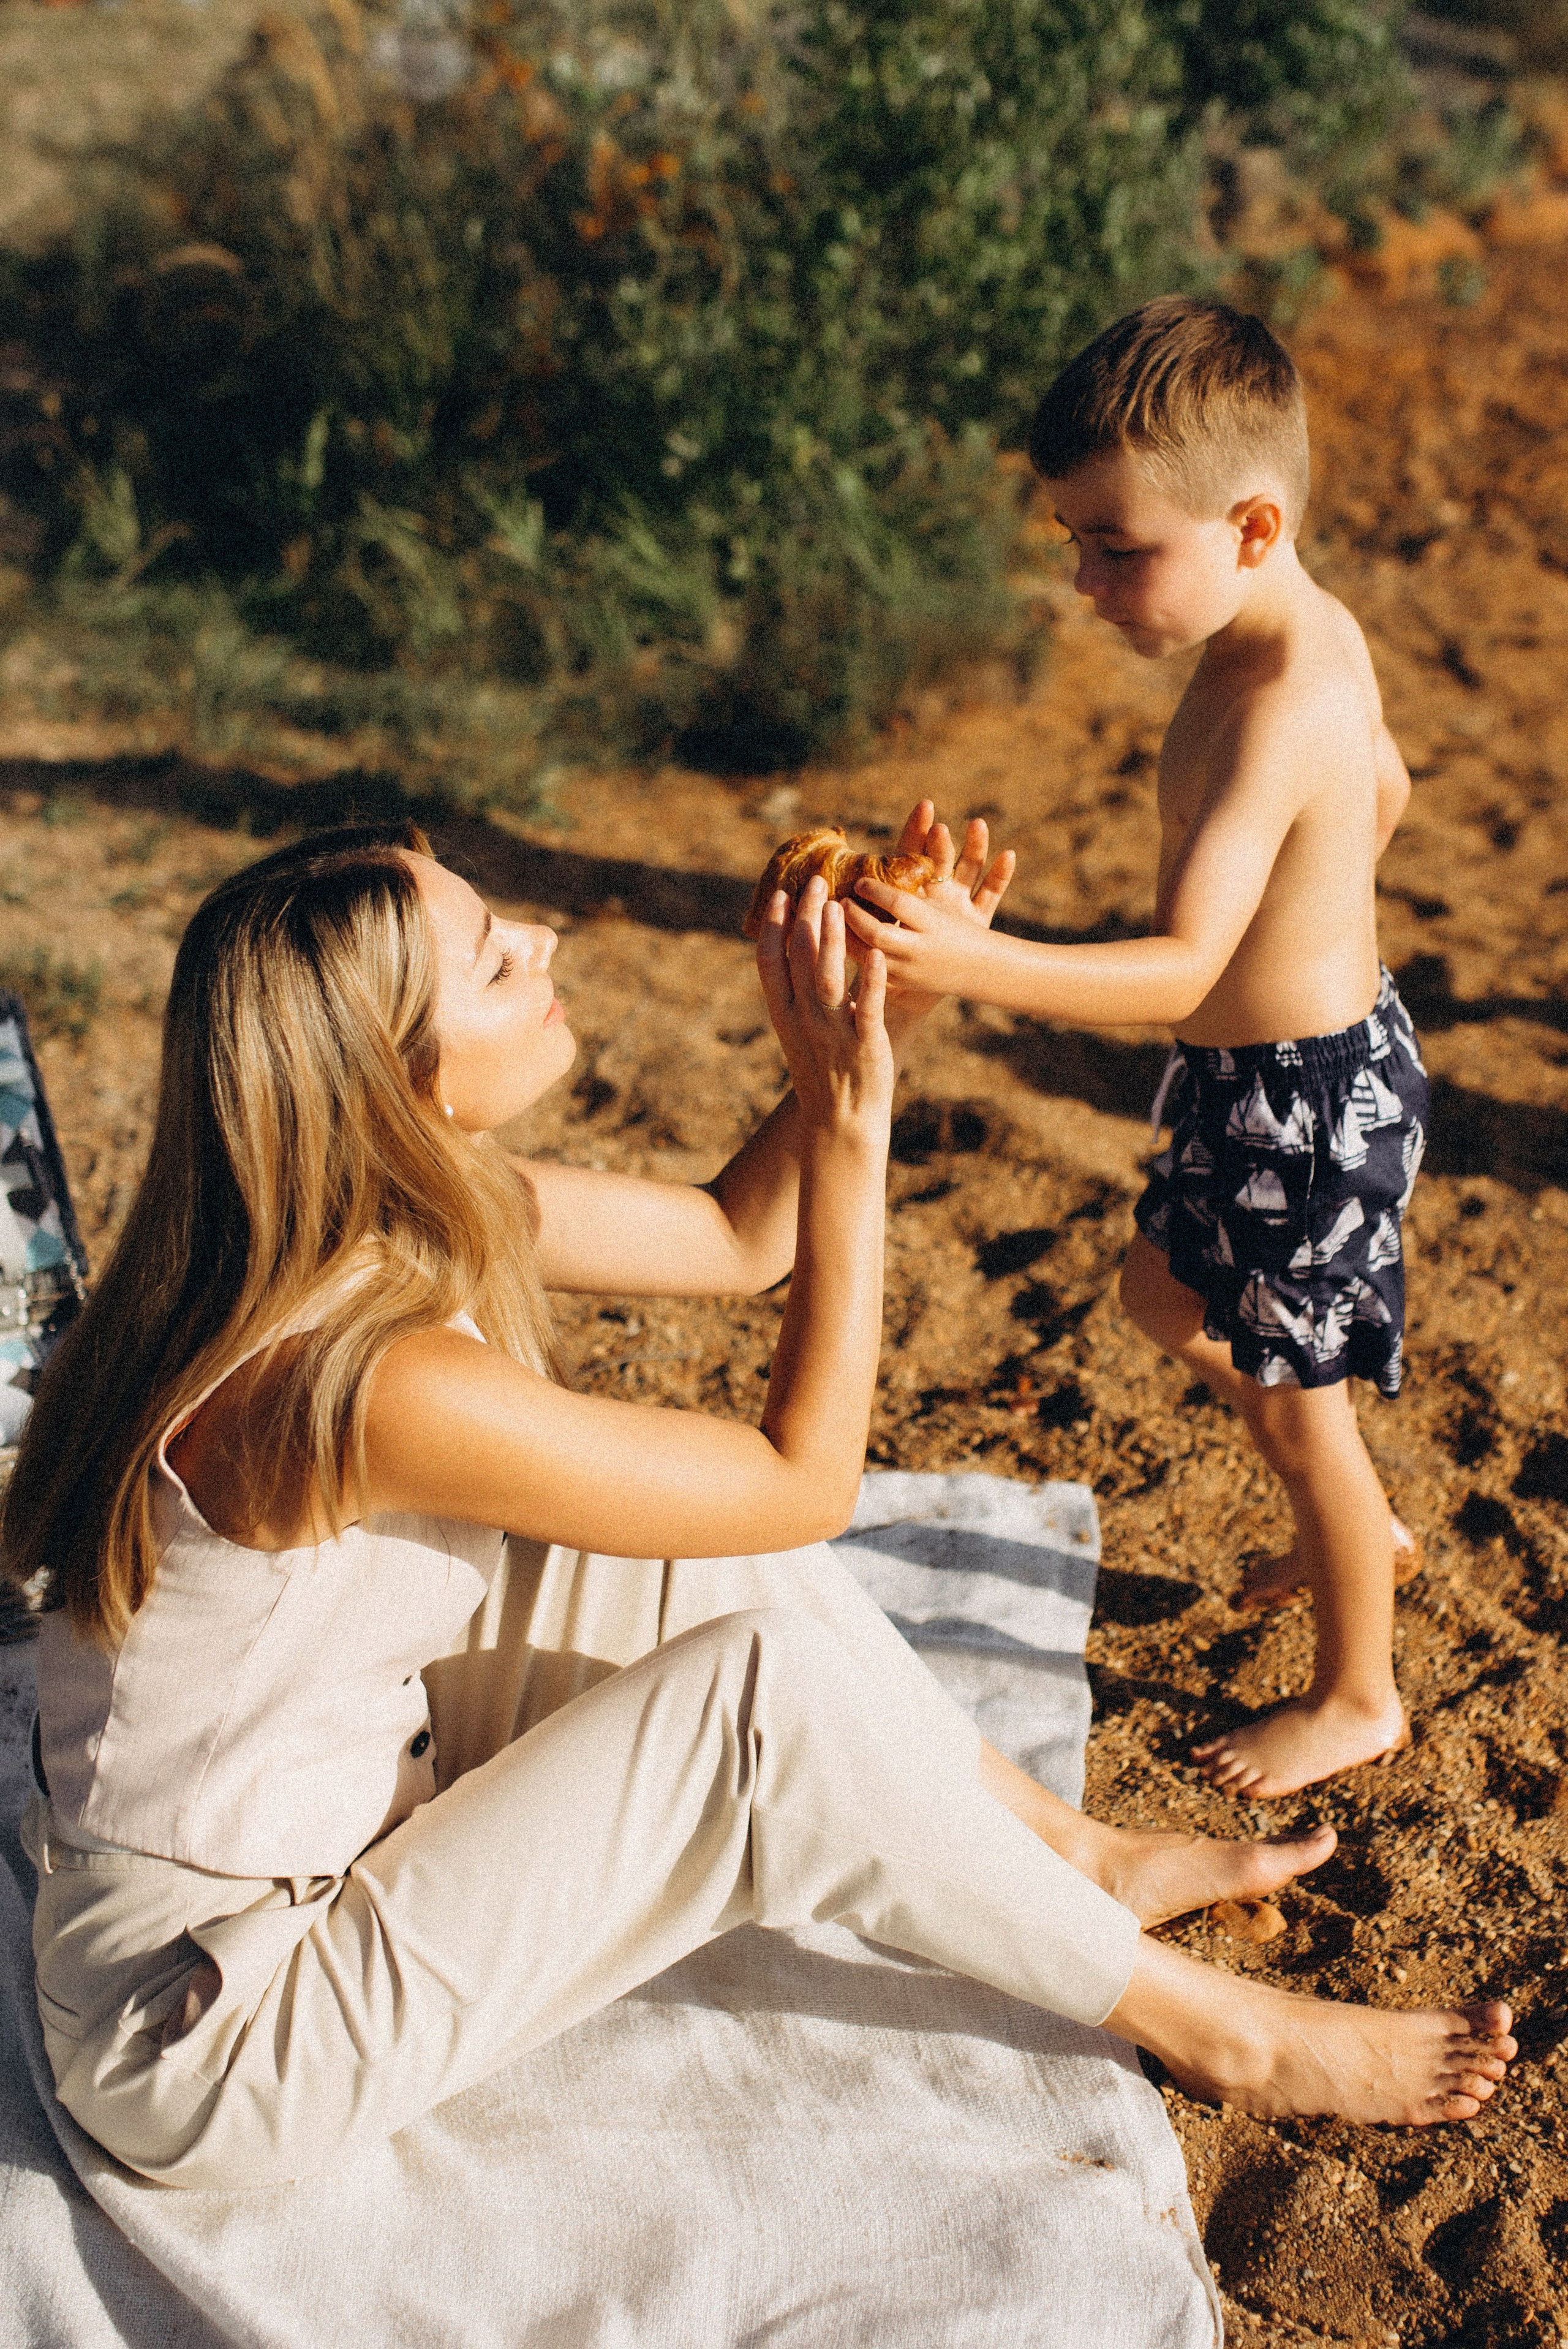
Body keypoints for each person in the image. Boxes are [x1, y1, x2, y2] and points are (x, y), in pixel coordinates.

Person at [1, 822, 1510, 2193]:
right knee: (755, 1689)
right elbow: (805, 1480)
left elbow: (736, 1239)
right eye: (491, 956)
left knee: (676, 1577)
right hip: (211, 2038)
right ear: (402, 1076)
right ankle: (1223, 2032)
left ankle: (1073, 1855)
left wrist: (874, 1020)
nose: (545, 942)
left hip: (314, 1827)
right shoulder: (362, 1377)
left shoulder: (380, 1204)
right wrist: (855, 1131)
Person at [845, 297, 1430, 1803]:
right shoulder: (1300, 633)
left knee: (1303, 1418)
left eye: (1116, 547)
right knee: (1157, 1294)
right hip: (1273, 1082)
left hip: (1299, 1103)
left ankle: (1359, 1689)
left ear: (1250, 523)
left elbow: (1184, 969)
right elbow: (1392, 783)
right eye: (1072, 541)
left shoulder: (1271, 701)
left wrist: (976, 965)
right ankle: (1348, 1528)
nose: (1085, 581)